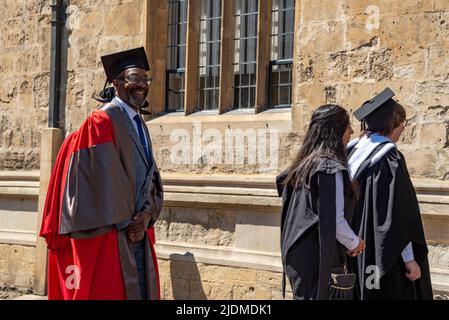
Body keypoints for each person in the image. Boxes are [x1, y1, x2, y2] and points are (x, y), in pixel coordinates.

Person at [39, 47, 164, 300]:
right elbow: (100, 181)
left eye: (145, 79)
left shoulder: (140, 123)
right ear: (116, 82)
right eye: (133, 79)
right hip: (114, 235)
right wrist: (130, 221)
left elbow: (151, 177)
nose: (141, 85)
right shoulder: (100, 121)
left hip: (137, 232)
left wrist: (148, 213)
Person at [347, 87, 433, 300]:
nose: (403, 129)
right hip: (385, 256)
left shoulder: (351, 151)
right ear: (392, 123)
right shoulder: (389, 159)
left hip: (354, 248)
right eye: (402, 123)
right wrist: (410, 259)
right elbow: (396, 217)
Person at [276, 104, 365, 300]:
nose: (351, 131)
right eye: (347, 126)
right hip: (317, 260)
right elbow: (334, 219)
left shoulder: (304, 165)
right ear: (335, 130)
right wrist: (355, 242)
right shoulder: (328, 169)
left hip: (299, 258)